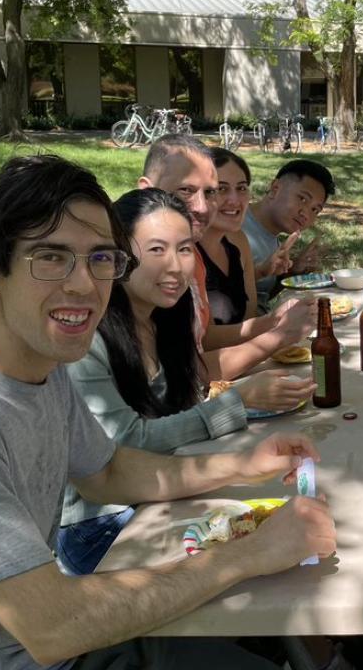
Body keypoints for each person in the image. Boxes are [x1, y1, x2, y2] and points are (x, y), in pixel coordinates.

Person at [0, 155, 336, 669]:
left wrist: (242, 465)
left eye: (99, 258)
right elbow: (53, 626)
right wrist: (251, 554)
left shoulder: (40, 369)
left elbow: (107, 471)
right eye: (51, 257)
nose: (84, 284)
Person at [57, 189, 316, 575]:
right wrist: (236, 404)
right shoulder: (88, 340)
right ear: (117, 257)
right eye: (156, 250)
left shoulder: (165, 318)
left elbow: (185, 397)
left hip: (163, 491)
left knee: (290, 521)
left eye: (184, 249)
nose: (176, 266)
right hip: (101, 525)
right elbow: (123, 446)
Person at [139, 135, 316, 381]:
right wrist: (276, 331)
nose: (202, 206)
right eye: (187, 190)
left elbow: (195, 351)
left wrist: (274, 316)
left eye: (209, 192)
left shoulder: (200, 252)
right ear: (147, 189)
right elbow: (190, 363)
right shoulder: (142, 264)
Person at [241, 158, 336, 301]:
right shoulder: (234, 226)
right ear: (275, 189)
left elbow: (262, 295)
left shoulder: (275, 241)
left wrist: (293, 271)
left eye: (315, 210)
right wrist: (261, 272)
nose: (306, 214)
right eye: (302, 199)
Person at [200, 147, 261, 324]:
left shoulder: (238, 240)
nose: (234, 200)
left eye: (241, 188)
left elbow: (249, 317)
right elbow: (204, 337)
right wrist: (275, 322)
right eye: (221, 188)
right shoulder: (184, 250)